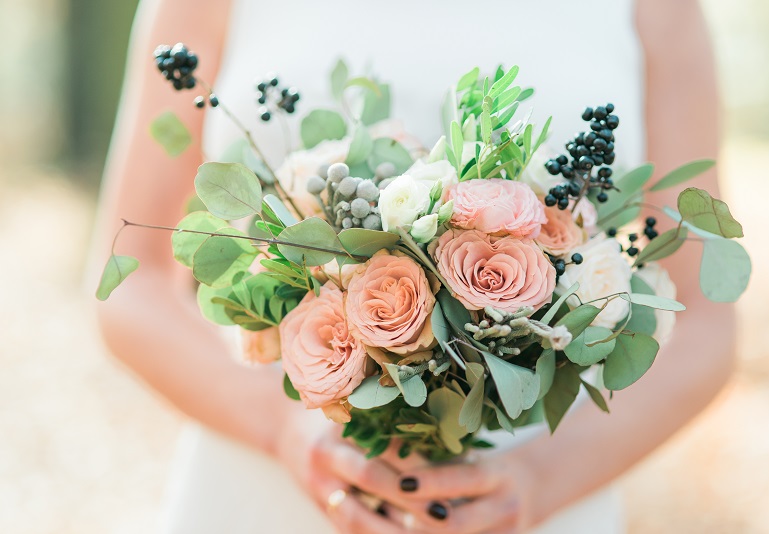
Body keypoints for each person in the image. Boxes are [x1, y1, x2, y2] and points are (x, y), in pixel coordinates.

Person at [94, 0, 735, 532]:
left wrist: (540, 480)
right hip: (266, 491)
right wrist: (283, 430)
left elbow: (707, 325)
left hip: (536, 497)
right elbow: (129, 281)